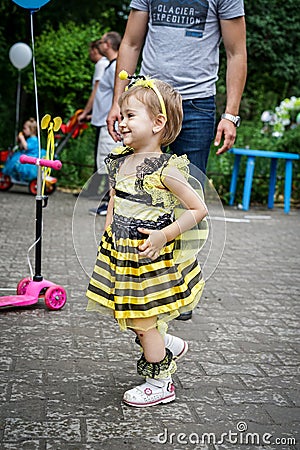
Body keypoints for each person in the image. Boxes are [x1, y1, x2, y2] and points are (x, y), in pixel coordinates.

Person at [106, 0, 247, 319]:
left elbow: (236, 52)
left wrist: (231, 114)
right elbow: (130, 42)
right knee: (139, 191)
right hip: (148, 101)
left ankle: (179, 286)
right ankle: (142, 278)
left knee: (187, 201)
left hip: (196, 106)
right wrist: (119, 101)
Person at [86, 75, 208, 407]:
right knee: (127, 313)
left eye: (130, 116)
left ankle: (161, 381)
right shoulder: (119, 161)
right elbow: (114, 199)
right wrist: (107, 234)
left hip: (149, 257)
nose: (122, 122)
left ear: (157, 123)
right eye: (122, 115)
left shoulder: (165, 169)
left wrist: (163, 235)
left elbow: (198, 208)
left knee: (142, 322)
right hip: (123, 255)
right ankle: (166, 340)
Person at [88, 31, 122, 216]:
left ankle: (110, 205)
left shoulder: (118, 67)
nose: (99, 45)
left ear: (108, 44)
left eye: (101, 41)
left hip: (110, 123)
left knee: (111, 165)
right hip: (103, 120)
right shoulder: (111, 66)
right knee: (106, 164)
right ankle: (108, 203)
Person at [76, 40, 108, 198]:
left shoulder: (101, 65)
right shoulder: (107, 64)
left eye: (91, 50)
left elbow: (97, 91)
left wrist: (85, 112)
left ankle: (96, 190)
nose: (90, 54)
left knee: (101, 153)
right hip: (100, 116)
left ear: (96, 50)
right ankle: (95, 189)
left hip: (102, 118)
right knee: (100, 153)